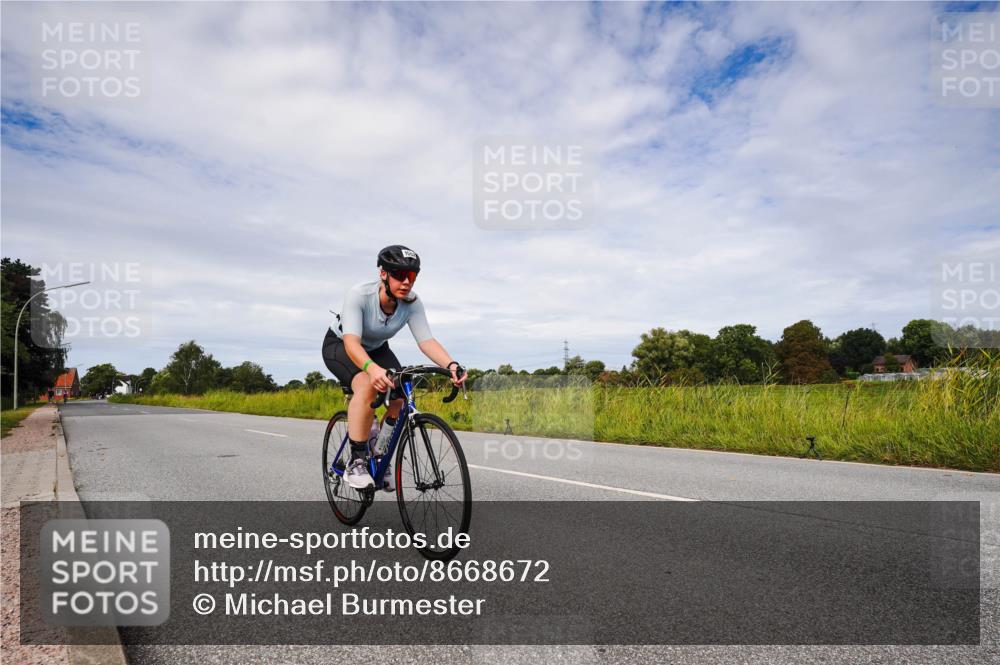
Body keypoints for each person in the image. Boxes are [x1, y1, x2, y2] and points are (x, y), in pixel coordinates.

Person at [322, 245, 466, 489]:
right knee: (368, 386)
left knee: (400, 394)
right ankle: (356, 461)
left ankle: (380, 454)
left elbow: (427, 341)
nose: (406, 282)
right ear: (383, 274)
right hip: (341, 346)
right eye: (400, 275)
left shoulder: (412, 303)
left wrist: (450, 364)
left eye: (412, 277)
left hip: (378, 348)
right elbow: (351, 343)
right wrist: (371, 368)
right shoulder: (359, 295)